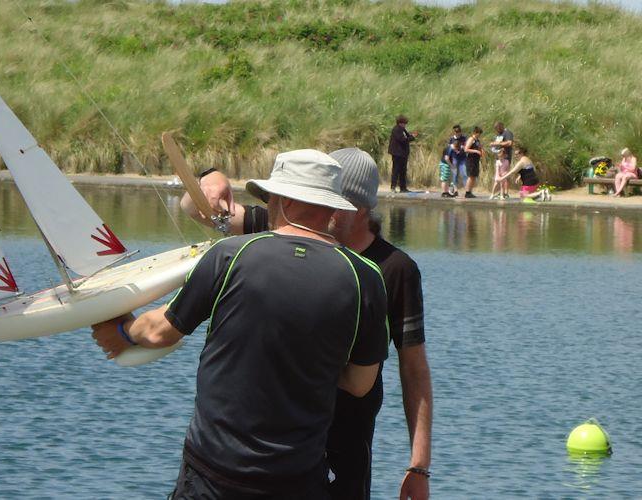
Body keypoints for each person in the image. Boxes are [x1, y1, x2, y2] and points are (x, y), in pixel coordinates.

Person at [94, 149, 390, 499]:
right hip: (297, 480)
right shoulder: (366, 278)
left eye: (270, 198)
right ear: (331, 207)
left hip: (213, 474)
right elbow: (359, 383)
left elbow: (160, 331)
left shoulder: (232, 255)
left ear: (286, 201)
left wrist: (122, 329)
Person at [181, 148, 433, 500]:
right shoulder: (282, 230)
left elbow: (414, 371)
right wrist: (211, 178)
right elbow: (196, 209)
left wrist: (418, 465)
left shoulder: (394, 269)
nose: (320, 210)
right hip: (269, 459)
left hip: (344, 453)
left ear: (358, 209)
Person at [388, 115, 418, 193]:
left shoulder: (403, 129)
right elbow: (402, 140)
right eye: (404, 123)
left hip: (403, 154)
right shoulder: (396, 129)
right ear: (400, 123)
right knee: (396, 170)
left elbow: (407, 137)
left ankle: (403, 187)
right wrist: (412, 137)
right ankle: (393, 187)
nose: (405, 125)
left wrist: (412, 136)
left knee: (403, 171)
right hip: (397, 153)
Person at [463, 126, 485, 198]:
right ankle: (467, 192)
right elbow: (466, 149)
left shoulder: (477, 140)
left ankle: (470, 191)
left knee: (474, 176)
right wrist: (475, 151)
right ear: (475, 133)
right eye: (478, 133)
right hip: (471, 160)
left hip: (476, 160)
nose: (479, 135)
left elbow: (479, 147)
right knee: (471, 176)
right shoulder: (471, 139)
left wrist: (481, 151)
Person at [448, 125, 468, 192]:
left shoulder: (464, 138)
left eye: (459, 131)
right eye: (456, 131)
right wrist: (453, 147)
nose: (458, 133)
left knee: (464, 173)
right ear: (454, 132)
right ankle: (454, 189)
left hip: (463, 158)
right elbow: (449, 147)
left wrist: (463, 147)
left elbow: (466, 145)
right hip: (455, 158)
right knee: (455, 173)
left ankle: (467, 189)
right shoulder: (452, 139)